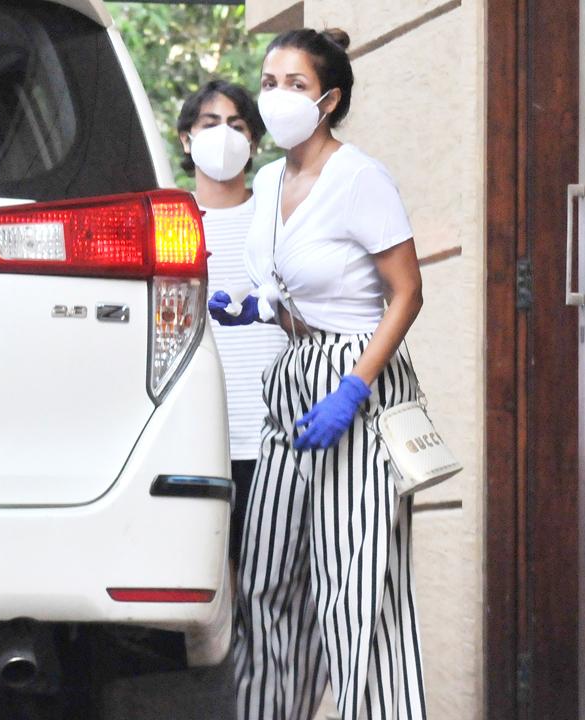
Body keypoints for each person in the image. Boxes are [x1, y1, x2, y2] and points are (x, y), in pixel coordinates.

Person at [206, 27, 428, 720]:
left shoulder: (360, 177)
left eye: (294, 86)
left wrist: (354, 388)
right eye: (269, 83)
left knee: (354, 586)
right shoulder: (270, 181)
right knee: (267, 577)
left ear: (328, 100)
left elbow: (408, 292)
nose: (276, 97)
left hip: (354, 380)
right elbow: (291, 287)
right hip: (293, 378)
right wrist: (251, 310)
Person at [176, 79, 285, 565]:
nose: (223, 135)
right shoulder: (170, 225)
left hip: (272, 434)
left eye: (237, 126)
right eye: (210, 123)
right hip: (192, 435)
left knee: (271, 583)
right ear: (186, 138)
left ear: (254, 143)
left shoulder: (277, 218)